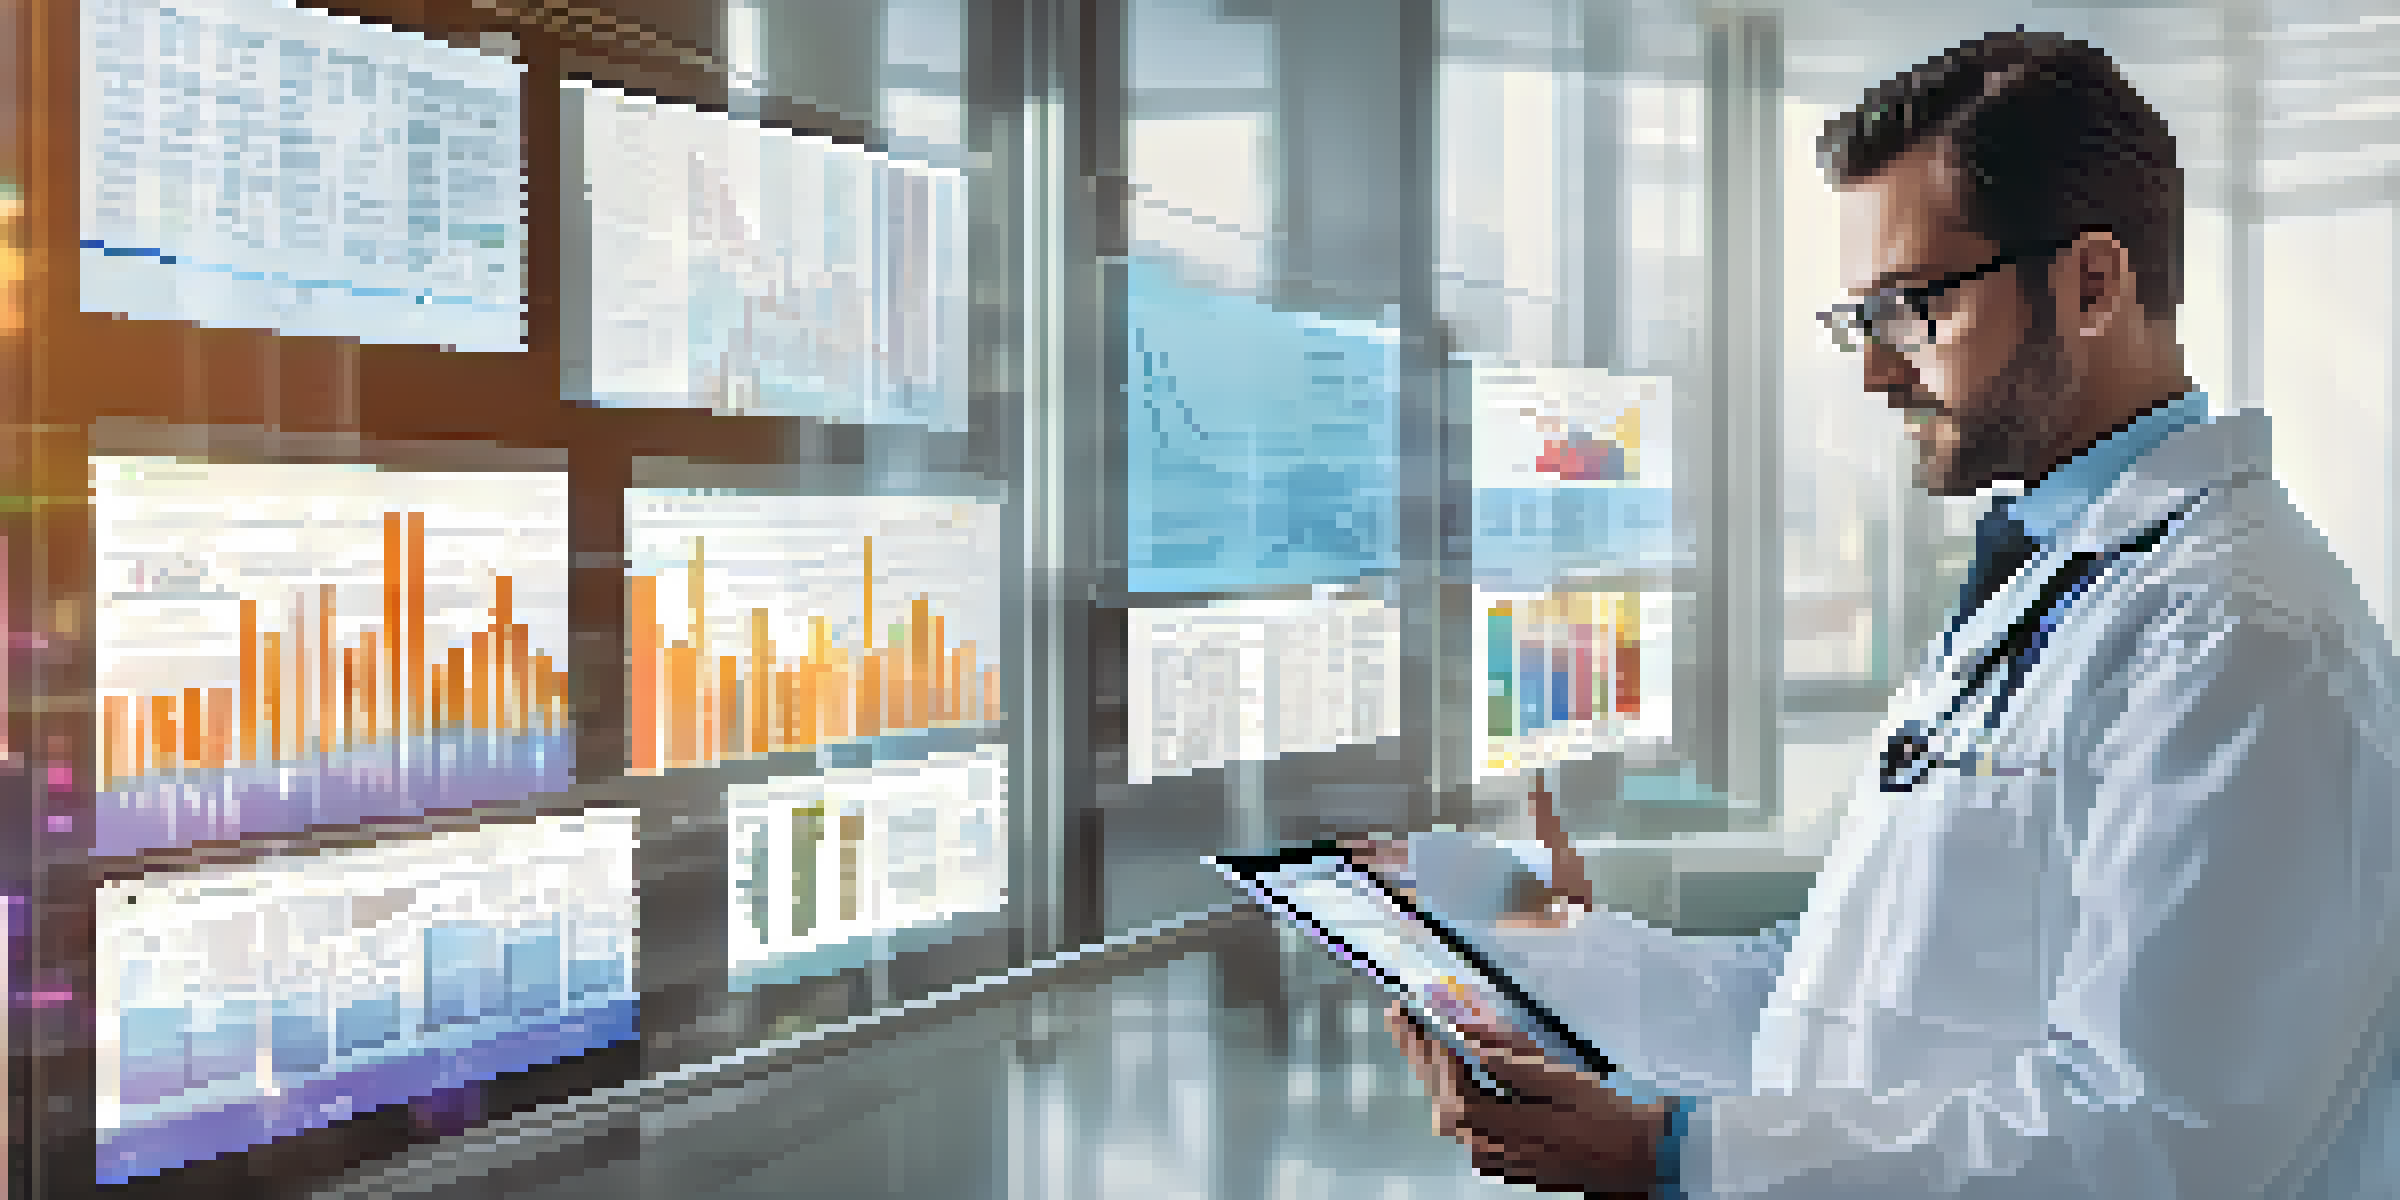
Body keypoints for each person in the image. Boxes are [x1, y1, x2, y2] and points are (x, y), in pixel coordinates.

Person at [1383, 28, 2400, 1198]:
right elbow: (1818, 1008)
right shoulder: (2051, 588)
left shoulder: (2243, 640)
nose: (1875, 371)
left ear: (2092, 285)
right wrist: (1507, 928)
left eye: (1912, 309)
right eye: (1863, 320)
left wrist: (1671, 1156)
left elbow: (2155, 1139)